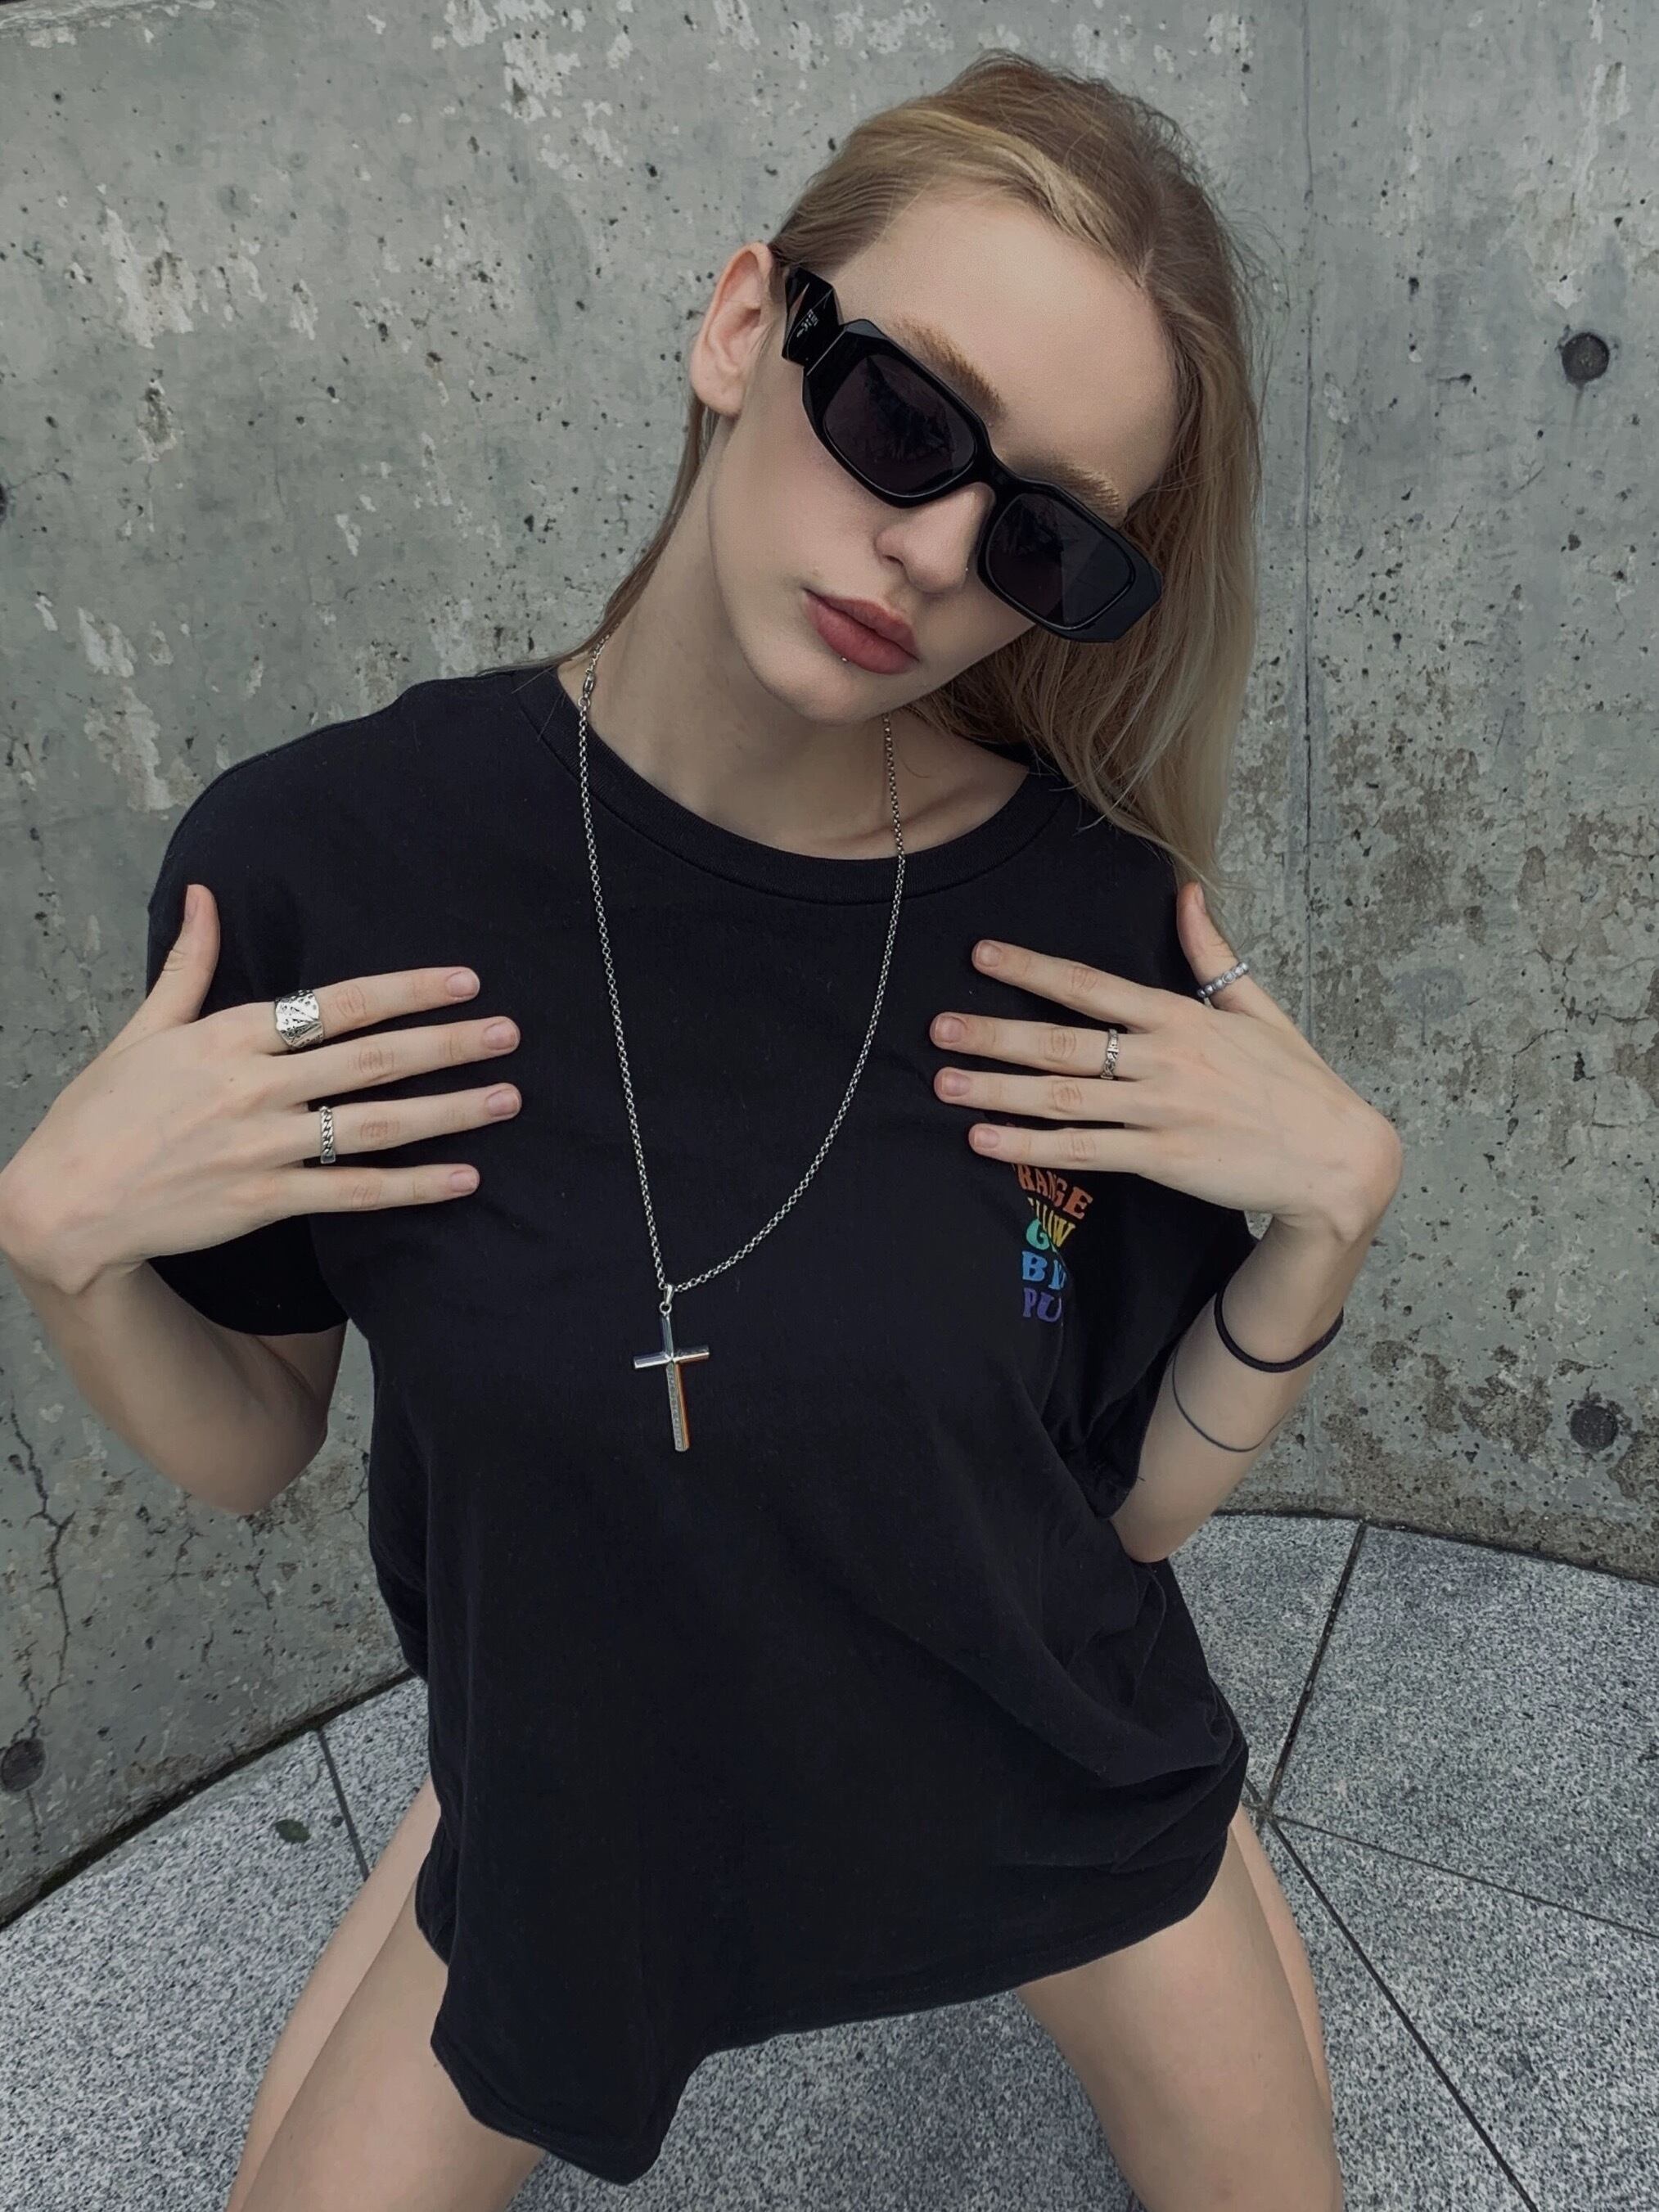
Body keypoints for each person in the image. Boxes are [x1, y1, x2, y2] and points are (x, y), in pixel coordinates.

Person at [0, 50, 1402, 2212]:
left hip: (1038, 1760)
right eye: (906, 420)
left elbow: (1119, 1519)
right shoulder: (324, 871)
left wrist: (1321, 1231)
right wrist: (66, 1257)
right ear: (747, 323)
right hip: (596, 1810)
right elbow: (256, 1437)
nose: (930, 550)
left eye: (1038, 537)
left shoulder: (1087, 931)